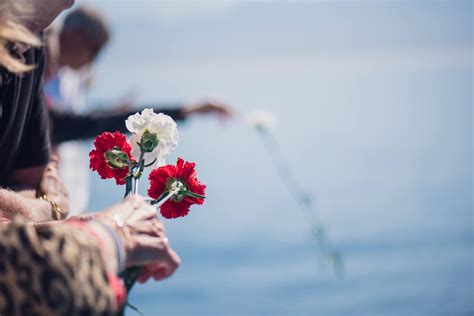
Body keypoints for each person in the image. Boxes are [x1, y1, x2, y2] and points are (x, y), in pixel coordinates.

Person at [0, 4, 180, 315]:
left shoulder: (29, 42)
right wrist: (113, 234)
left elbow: (32, 181)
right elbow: (19, 272)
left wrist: (68, 225)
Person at [43, 6, 233, 214]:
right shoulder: (41, 73)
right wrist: (183, 111)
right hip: (46, 195)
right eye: (95, 51)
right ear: (78, 38)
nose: (92, 62)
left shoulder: (69, 76)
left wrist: (110, 110)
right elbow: (76, 125)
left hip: (60, 195)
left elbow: (76, 120)